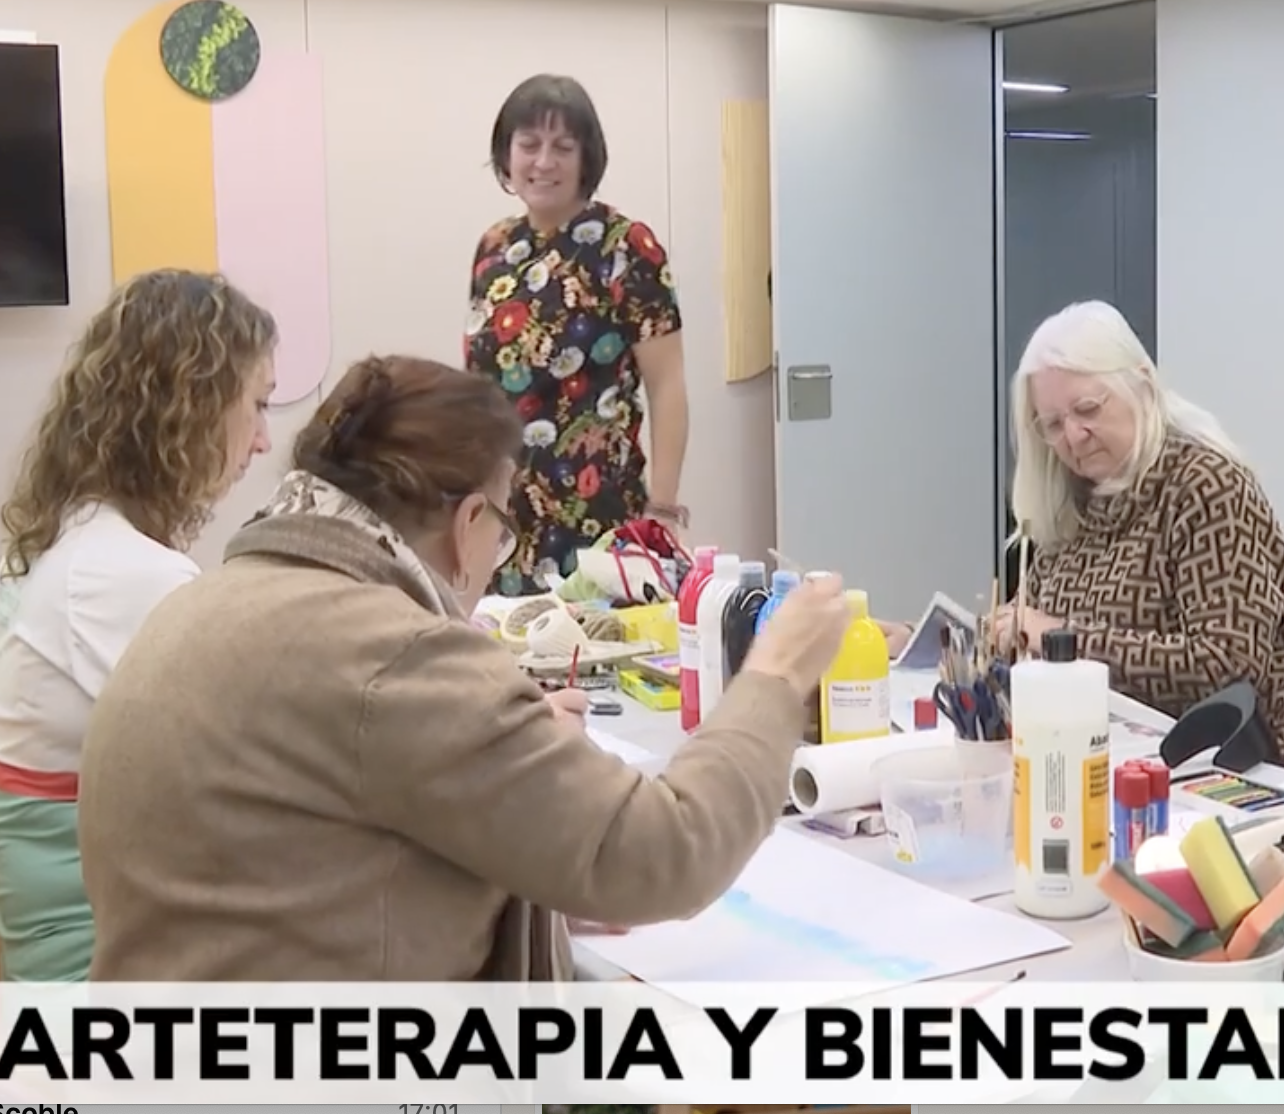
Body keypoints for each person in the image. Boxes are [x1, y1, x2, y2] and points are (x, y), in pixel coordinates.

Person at [78, 355, 852, 980]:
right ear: (468, 523)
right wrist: (776, 675)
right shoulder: (392, 654)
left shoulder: (203, 605)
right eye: (503, 530)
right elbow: (665, 852)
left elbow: (301, 862)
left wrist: (503, 815)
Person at [0, 269, 277, 981]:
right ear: (193, 407)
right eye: (258, 405)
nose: (262, 442)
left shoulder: (83, 537)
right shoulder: (124, 572)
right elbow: (276, 772)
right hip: (98, 976)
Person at [977, 300, 1284, 765]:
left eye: (1087, 409)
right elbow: (1028, 624)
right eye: (1052, 424)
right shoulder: (1074, 498)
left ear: (1143, 386)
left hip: (1219, 772)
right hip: (1094, 758)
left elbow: (1226, 665)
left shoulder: (1208, 488)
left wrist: (1062, 639)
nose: (1073, 436)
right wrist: (943, 634)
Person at [467, 73, 690, 596]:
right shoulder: (495, 247)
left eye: (563, 147)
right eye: (529, 145)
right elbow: (476, 386)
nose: (544, 162)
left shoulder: (628, 247)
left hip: (600, 513)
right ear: (506, 155)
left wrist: (661, 511)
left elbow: (667, 386)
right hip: (502, 515)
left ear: (587, 158)